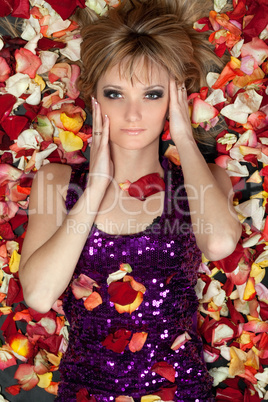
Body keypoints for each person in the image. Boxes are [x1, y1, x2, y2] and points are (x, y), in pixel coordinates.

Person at [19, 0, 242, 400]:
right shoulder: (56, 182)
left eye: (153, 94)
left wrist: (185, 137)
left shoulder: (203, 183)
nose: (134, 113)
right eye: (115, 93)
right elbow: (37, 296)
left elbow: (221, 243)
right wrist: (96, 185)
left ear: (175, 98)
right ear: (93, 97)